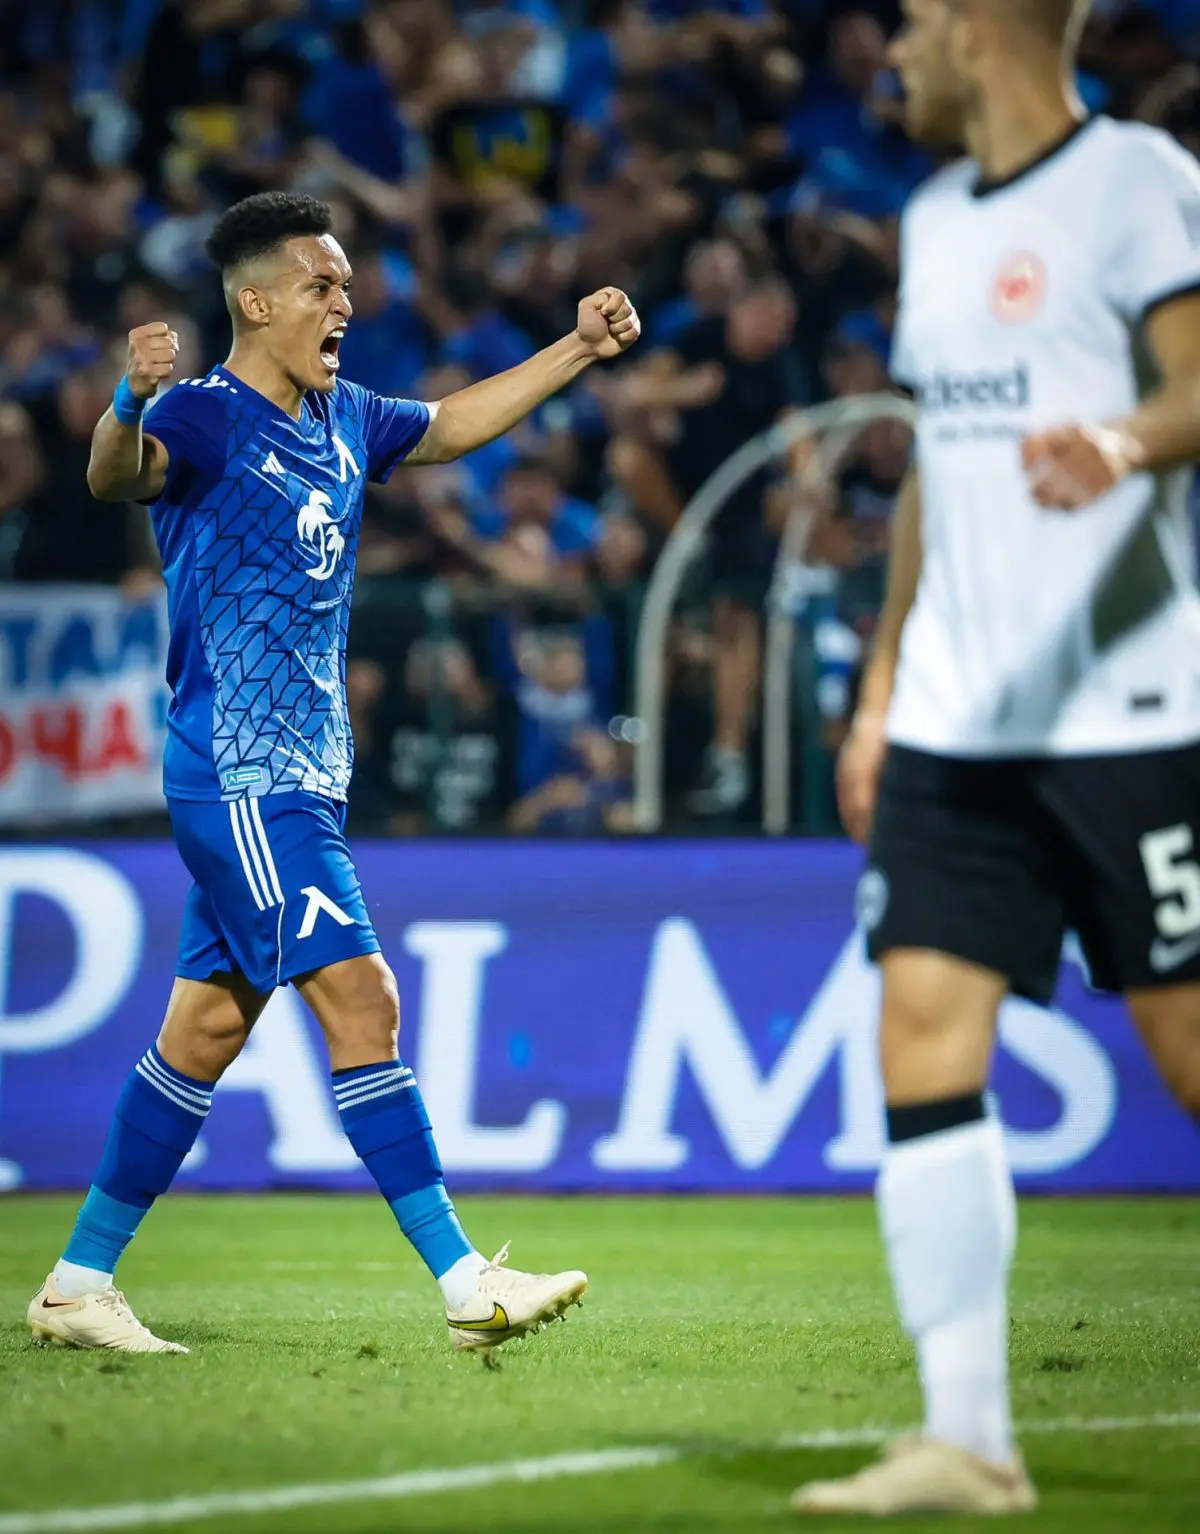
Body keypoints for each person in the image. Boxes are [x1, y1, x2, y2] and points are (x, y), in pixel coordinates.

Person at [26, 190, 640, 1359]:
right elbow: (117, 474)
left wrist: (575, 348)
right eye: (322, 285)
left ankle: (77, 1281)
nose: (346, 303)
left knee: (205, 1031)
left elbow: (449, 427)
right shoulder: (203, 415)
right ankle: (465, 1281)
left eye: (347, 284)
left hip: (303, 779)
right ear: (257, 303)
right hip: (243, 774)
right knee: (365, 1001)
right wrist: (127, 398)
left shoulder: (345, 414)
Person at [793, 0, 1200, 1518]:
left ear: (977, 25)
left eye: (910, 23)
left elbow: (1196, 384)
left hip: (1128, 712)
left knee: (1188, 1051)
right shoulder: (936, 218)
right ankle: (967, 1438)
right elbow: (934, 478)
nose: (891, 55)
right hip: (958, 726)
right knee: (921, 1033)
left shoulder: (1137, 178)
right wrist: (882, 685)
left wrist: (1125, 443)